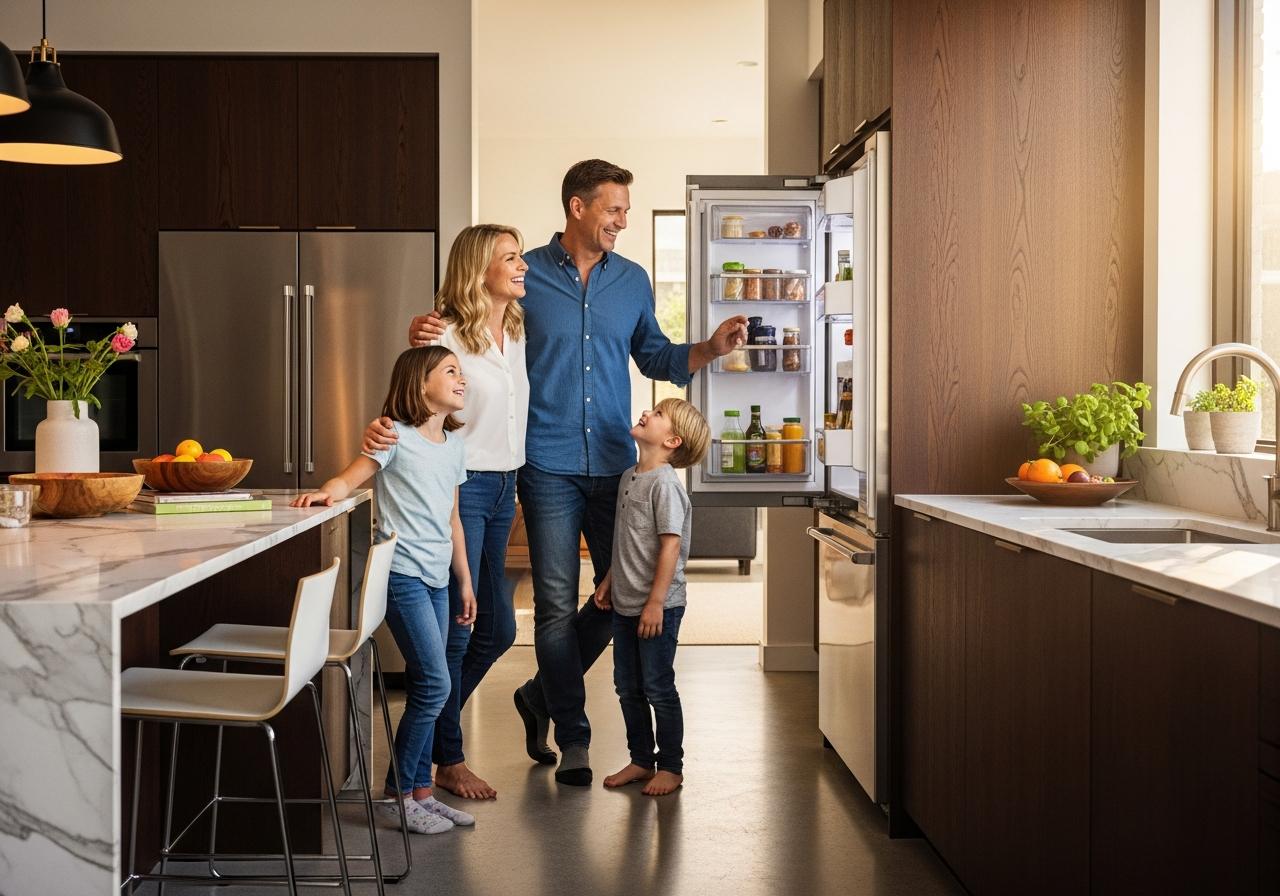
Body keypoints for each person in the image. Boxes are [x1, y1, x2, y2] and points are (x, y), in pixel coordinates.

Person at [388, 159, 746, 786]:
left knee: (618, 598)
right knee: (554, 607)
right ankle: (573, 736)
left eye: (626, 210)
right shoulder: (525, 278)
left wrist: (709, 350)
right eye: (614, 209)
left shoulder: (631, 281)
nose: (622, 221)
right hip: (544, 464)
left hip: (615, 463)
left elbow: (656, 356)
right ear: (578, 207)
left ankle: (536, 696)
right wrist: (427, 330)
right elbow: (465, 321)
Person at [362, 224, 529, 801]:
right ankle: (446, 761)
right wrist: (382, 432)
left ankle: (430, 749)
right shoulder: (446, 334)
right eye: (510, 257)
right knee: (464, 632)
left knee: (491, 628)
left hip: (504, 485)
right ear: (479, 269)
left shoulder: (516, 330)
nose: (522, 265)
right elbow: (413, 399)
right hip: (465, 487)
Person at [292, 345, 478, 834]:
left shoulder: (454, 445)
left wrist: (464, 581)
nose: (462, 378)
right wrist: (327, 491)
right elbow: (353, 476)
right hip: (401, 577)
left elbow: (454, 520)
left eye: (461, 372)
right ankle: (397, 794)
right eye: (451, 371)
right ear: (421, 384)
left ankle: (422, 793)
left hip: (438, 578)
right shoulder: (395, 435)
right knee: (436, 684)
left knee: (429, 683)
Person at [593, 398, 709, 797]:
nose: (647, 413)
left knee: (658, 686)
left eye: (658, 414)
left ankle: (671, 766)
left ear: (672, 440)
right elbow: (625, 538)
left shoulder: (665, 486)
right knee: (627, 686)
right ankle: (641, 759)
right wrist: (610, 580)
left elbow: (670, 546)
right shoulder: (630, 476)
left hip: (659, 607)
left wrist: (655, 603)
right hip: (626, 604)